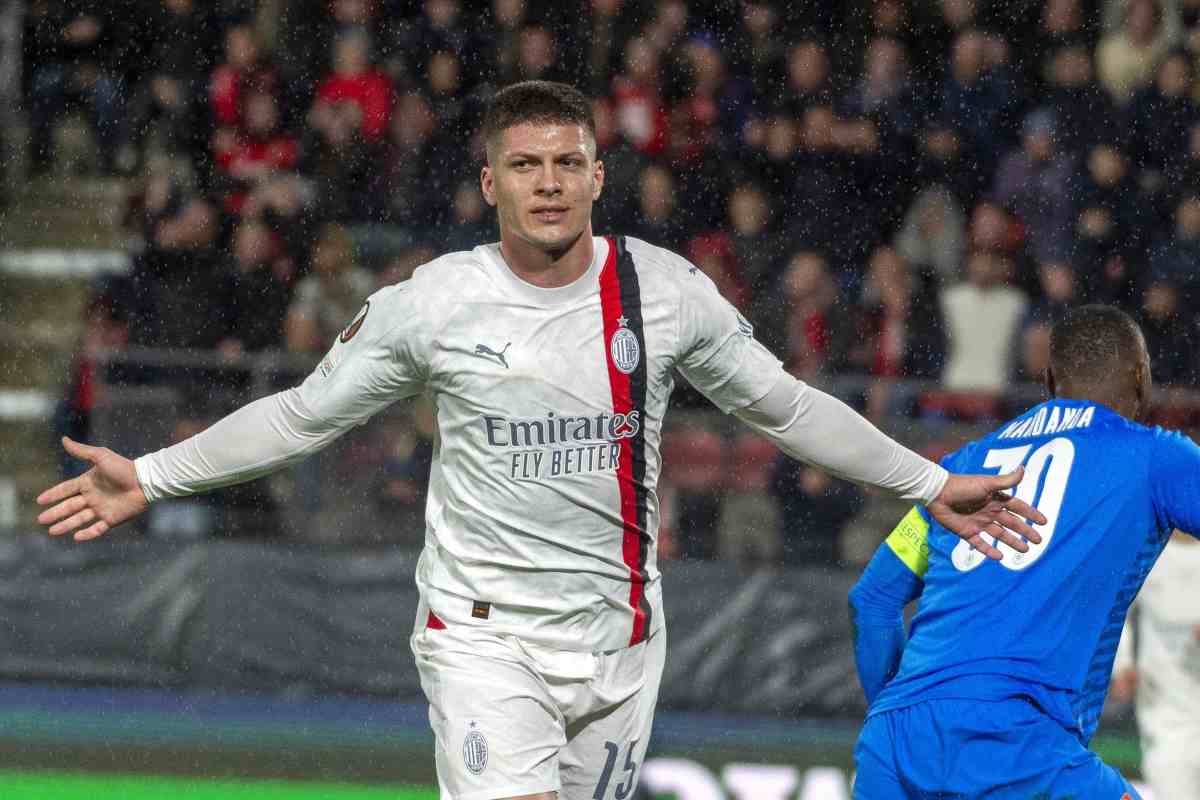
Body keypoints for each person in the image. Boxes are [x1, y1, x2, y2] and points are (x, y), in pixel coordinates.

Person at [37, 81, 1044, 800]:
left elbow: (784, 405)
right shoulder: (434, 304)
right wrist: (153, 475)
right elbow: (304, 413)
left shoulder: (665, 292)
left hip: (622, 638)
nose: (549, 183)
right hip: (485, 634)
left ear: (600, 175)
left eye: (567, 163)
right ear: (490, 184)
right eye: (526, 165)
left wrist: (926, 480)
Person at [848, 304, 1200, 799]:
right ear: (1142, 378)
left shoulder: (961, 470)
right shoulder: (1155, 456)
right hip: (1016, 743)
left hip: (894, 748)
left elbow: (872, 600)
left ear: (1050, 380)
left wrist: (903, 722)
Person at [1111, 532, 1200, 800]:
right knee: (1173, 779)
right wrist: (1121, 665)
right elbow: (1117, 608)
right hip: (1164, 701)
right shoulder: (1147, 547)